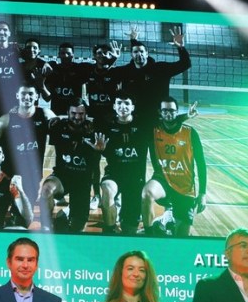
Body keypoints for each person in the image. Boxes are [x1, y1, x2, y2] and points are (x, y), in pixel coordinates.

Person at [143, 96, 207, 237]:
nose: (168, 113)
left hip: (185, 186)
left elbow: (201, 164)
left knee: (182, 236)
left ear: (177, 112)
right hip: (163, 181)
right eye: (165, 110)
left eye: (172, 111)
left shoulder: (190, 133)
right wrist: (186, 116)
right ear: (160, 112)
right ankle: (149, 235)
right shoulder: (154, 131)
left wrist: (202, 193)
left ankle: (166, 220)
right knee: (147, 193)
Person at [39, 100, 103, 233]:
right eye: (73, 113)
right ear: (67, 113)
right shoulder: (58, 126)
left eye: (81, 114)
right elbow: (39, 120)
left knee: (77, 228)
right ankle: (46, 228)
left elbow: (97, 163)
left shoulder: (94, 130)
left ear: (86, 114)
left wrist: (99, 151)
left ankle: (64, 215)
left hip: (82, 181)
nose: (77, 117)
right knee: (46, 190)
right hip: (62, 176)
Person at [94, 93, 152, 235]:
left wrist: (186, 115)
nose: (123, 106)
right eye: (119, 103)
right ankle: (110, 229)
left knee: (129, 230)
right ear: (114, 106)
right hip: (114, 174)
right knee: (107, 188)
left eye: (127, 103)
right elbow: (106, 153)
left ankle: (130, 224)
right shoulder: (108, 127)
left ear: (133, 107)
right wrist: (101, 150)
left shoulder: (143, 126)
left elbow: (168, 120)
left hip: (135, 179)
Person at [0, 84, 55, 207]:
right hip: (8, 173)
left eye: (30, 94)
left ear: (36, 96)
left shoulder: (45, 114)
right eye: (23, 94)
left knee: (24, 213)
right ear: (17, 96)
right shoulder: (6, 119)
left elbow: (63, 126)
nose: (27, 97)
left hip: (32, 174)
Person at [120, 25, 191, 127]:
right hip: (135, 118)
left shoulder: (160, 69)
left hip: (158, 119)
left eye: (142, 52)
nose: (139, 54)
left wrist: (181, 47)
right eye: (135, 52)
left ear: (147, 54)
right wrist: (133, 40)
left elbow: (185, 64)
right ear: (131, 54)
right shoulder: (127, 71)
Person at [45, 42, 90, 116]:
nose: (65, 56)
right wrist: (48, 63)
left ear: (73, 55)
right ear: (59, 55)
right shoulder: (53, 69)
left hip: (75, 111)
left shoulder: (80, 69)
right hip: (56, 111)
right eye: (63, 53)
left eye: (68, 53)